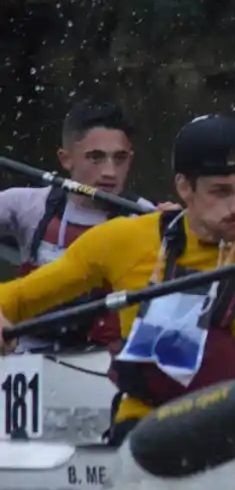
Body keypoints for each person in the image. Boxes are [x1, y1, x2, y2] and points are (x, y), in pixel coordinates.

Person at [0, 112, 235, 446]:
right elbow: (19, 298)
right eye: (222, 192)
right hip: (144, 433)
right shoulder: (122, 240)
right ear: (184, 187)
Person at [0, 99, 175, 353]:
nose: (110, 172)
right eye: (96, 158)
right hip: (26, 355)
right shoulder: (25, 205)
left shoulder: (148, 218)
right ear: (65, 159)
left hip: (106, 359)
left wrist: (182, 234)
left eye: (120, 158)